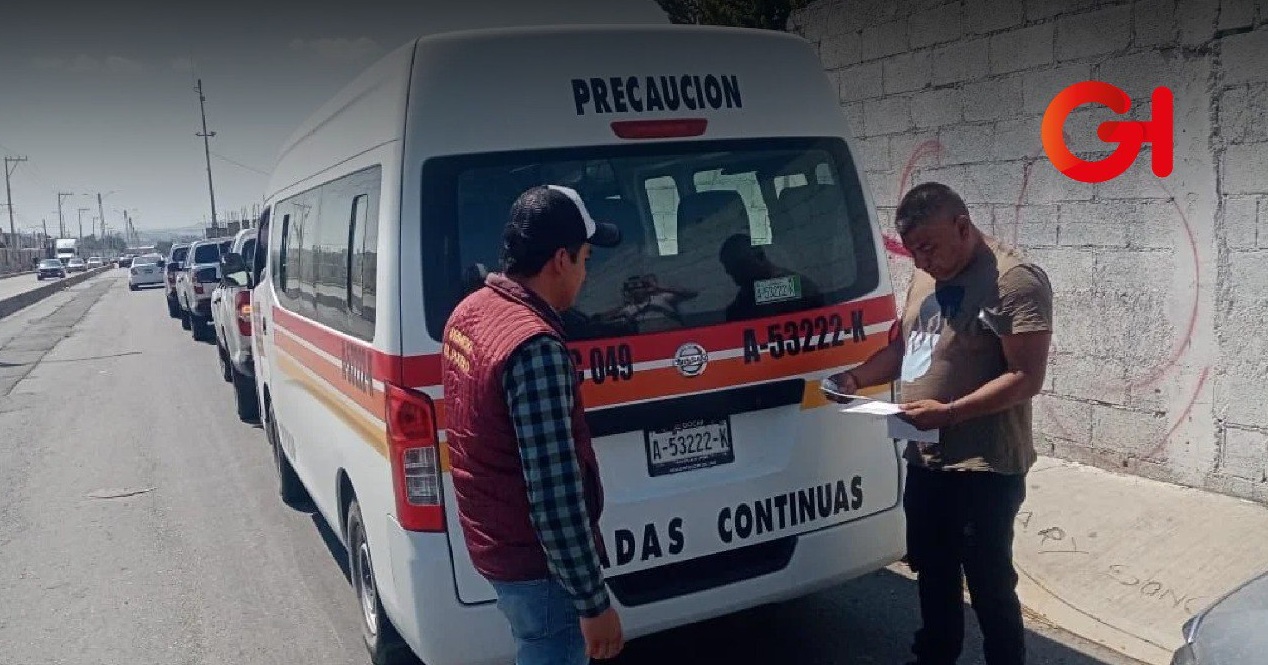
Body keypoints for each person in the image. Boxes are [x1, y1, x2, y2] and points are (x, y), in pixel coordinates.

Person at [826, 182, 1053, 665]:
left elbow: (1026, 377)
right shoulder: (927, 275)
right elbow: (905, 346)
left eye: (928, 248)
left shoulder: (1013, 281)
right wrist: (855, 378)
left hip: (983, 467)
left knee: (989, 583)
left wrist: (950, 413)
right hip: (926, 456)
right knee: (931, 570)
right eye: (913, 251)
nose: (921, 261)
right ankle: (935, 656)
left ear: (962, 227)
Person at [441, 184, 625, 665]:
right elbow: (555, 496)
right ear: (561, 259)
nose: (586, 273)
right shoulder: (535, 349)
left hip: (497, 547)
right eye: (585, 259)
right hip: (541, 570)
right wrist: (593, 602)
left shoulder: (469, 312)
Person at [718, 233, 823, 321]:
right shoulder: (747, 295)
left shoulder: (795, 287)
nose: (730, 272)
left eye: (739, 265)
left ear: (760, 257)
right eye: (728, 266)